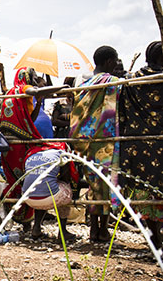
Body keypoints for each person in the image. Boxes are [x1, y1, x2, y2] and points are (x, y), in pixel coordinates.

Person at [0, 67, 66, 231]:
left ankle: (24, 220)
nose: (35, 80)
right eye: (34, 77)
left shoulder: (19, 95)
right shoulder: (21, 89)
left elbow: (31, 118)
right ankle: (23, 220)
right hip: (18, 144)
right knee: (23, 179)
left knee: (19, 180)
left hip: (14, 144)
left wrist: (40, 100)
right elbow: (35, 89)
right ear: (26, 78)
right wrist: (61, 89)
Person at [70, 45, 120, 242]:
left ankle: (93, 230)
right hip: (105, 139)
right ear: (109, 61)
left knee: (92, 184)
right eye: (115, 61)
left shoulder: (83, 82)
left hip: (86, 140)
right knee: (106, 184)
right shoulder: (112, 81)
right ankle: (103, 230)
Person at [119, 41, 163, 248]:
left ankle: (154, 238)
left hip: (136, 143)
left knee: (144, 188)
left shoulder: (130, 80)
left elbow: (121, 113)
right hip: (160, 142)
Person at [22, 143, 79, 241]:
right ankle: (62, 231)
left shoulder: (32, 154)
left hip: (27, 197)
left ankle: (36, 227)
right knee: (65, 190)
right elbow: (66, 178)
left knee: (42, 186)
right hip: (46, 198)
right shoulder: (61, 153)